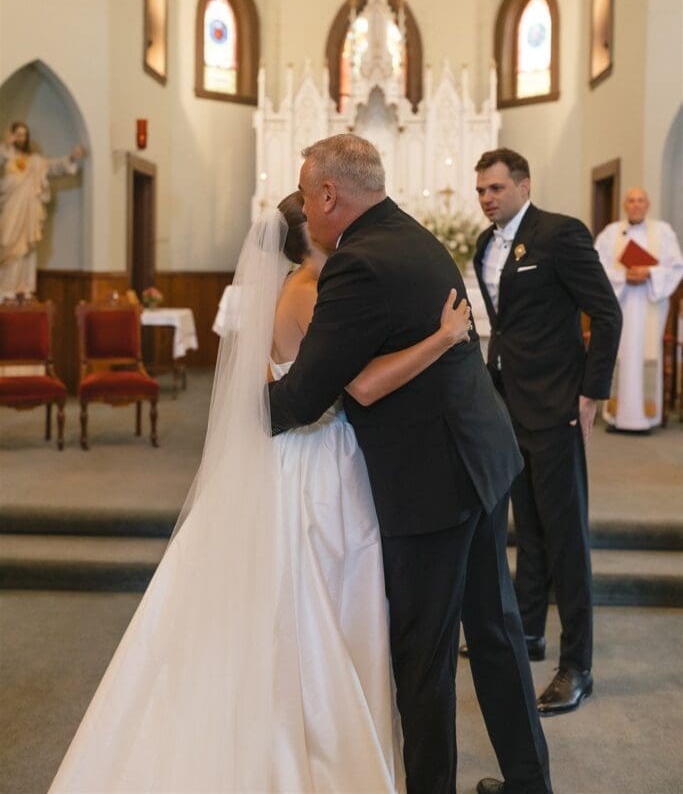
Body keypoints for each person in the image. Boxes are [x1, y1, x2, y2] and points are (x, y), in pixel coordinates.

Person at [48, 192, 472, 794]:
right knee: (321, 595)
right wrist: (442, 337)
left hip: (299, 451)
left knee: (301, 594)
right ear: (317, 237)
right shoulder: (312, 294)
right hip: (316, 459)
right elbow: (362, 385)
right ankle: (314, 747)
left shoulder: (297, 287)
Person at [269, 135, 553, 794]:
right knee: (493, 630)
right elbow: (362, 376)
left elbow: (307, 395)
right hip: (479, 455)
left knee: (421, 660)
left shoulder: (354, 263)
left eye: (309, 198)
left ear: (330, 195)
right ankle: (530, 781)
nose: (307, 214)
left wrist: (245, 416)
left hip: (431, 481)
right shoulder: (413, 236)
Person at [471, 147, 622, 719]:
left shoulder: (559, 234)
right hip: (509, 406)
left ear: (524, 184)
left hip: (557, 407)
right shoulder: (485, 246)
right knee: (526, 526)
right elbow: (506, 327)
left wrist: (590, 395)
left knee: (566, 538)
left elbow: (606, 313)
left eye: (496, 188)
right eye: (481, 189)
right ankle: (529, 631)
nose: (487, 198)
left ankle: (577, 665)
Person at [595, 187, 683, 432]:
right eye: (631, 201)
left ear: (648, 204)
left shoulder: (663, 232)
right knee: (619, 354)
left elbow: (677, 267)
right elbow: (596, 266)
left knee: (647, 354)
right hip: (620, 302)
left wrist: (649, 273)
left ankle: (646, 417)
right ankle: (616, 416)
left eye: (640, 201)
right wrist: (623, 276)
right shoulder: (611, 233)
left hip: (650, 302)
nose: (635, 205)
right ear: (625, 205)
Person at [0, 121, 85, 296]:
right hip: (10, 208)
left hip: (29, 210)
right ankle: (5, 287)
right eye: (18, 134)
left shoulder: (35, 162)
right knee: (7, 242)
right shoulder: (5, 157)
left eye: (24, 134)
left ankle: (22, 287)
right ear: (11, 136)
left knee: (26, 248)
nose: (21, 138)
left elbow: (53, 167)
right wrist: (4, 147)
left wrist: (71, 157)